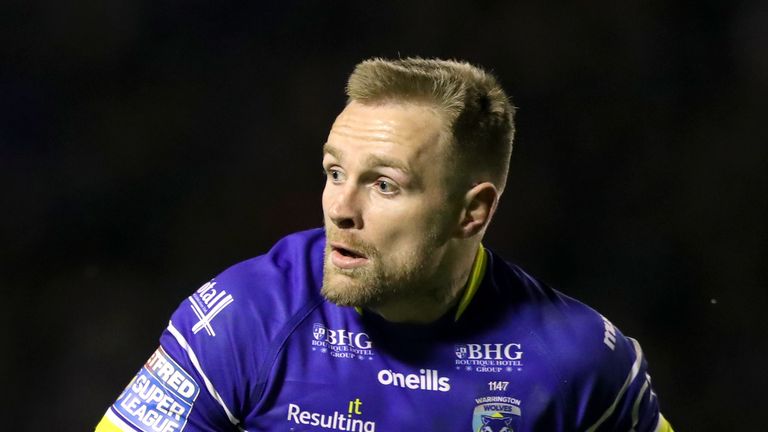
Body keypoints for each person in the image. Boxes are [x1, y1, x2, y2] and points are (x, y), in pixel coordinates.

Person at [96, 57, 673, 431]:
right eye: (334, 172)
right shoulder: (246, 317)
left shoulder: (582, 362)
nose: (340, 210)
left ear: (471, 212)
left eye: (384, 184)